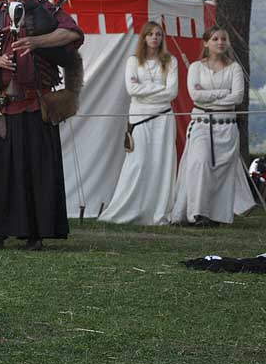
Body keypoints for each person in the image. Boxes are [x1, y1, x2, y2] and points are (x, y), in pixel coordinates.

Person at [0, 0, 84, 250]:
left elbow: (72, 34)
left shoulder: (44, 10)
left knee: (36, 172)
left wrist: (37, 42)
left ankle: (35, 235)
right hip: (1, 107)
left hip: (35, 105)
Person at [170, 25, 256, 226]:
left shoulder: (234, 68)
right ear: (206, 43)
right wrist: (222, 93)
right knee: (199, 164)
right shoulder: (196, 67)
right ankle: (196, 213)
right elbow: (195, 96)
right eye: (215, 39)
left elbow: (237, 96)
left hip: (226, 127)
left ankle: (215, 216)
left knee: (222, 172)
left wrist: (209, 96)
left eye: (223, 39)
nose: (220, 42)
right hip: (201, 124)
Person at [101, 21, 177, 225]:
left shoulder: (170, 61)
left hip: (163, 117)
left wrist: (148, 90)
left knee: (161, 162)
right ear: (144, 37)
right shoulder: (133, 61)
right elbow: (132, 90)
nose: (155, 38)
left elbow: (172, 92)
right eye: (151, 34)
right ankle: (129, 208)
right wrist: (158, 88)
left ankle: (157, 211)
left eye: (159, 34)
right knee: (138, 162)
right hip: (140, 117)